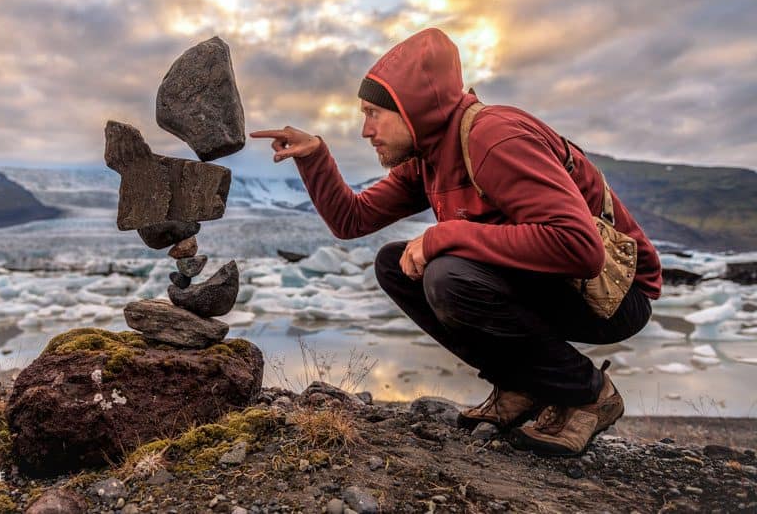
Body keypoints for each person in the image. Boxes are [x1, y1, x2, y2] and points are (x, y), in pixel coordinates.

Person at [250, 28, 662, 457]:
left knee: (447, 275)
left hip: (616, 296)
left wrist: (445, 235)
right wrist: (315, 154)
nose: (365, 130)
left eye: (373, 113)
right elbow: (351, 219)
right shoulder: (429, 157)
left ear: (412, 108)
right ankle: (523, 386)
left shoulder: (493, 136)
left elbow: (579, 246)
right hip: (556, 283)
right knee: (396, 265)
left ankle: (589, 393)